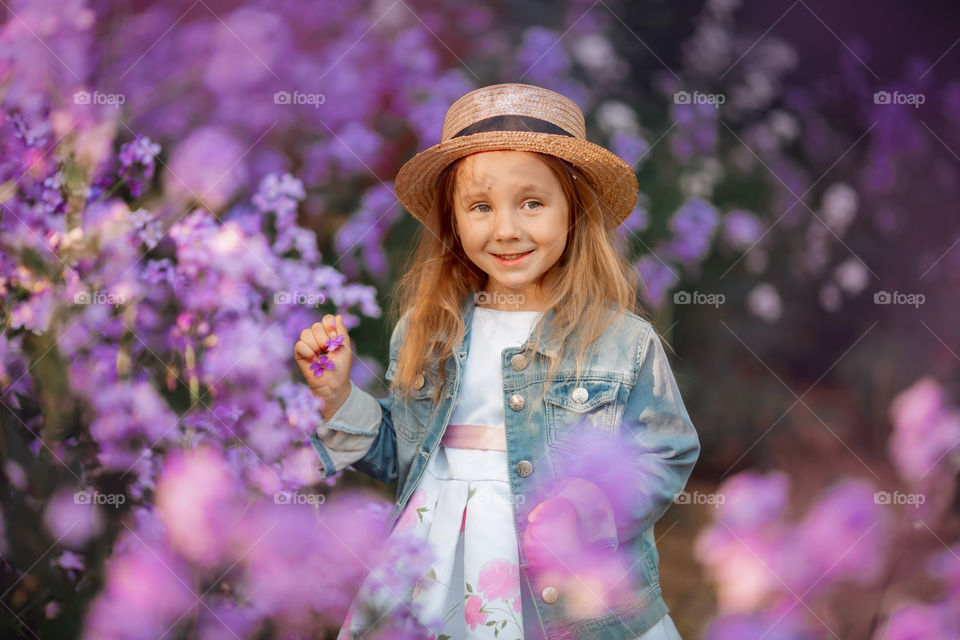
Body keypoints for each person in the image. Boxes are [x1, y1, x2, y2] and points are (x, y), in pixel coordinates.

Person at [294, 83, 700, 640]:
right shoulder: (427, 329)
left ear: (573, 210)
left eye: (531, 202)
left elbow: (664, 450)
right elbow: (406, 458)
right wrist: (338, 396)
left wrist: (587, 505)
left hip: (558, 581)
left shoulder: (620, 340)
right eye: (481, 207)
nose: (506, 229)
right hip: (434, 574)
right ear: (455, 219)